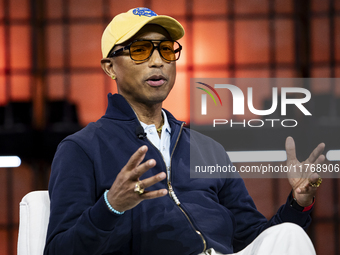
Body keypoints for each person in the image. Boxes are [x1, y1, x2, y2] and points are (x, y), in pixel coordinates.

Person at [44, 7, 325, 255]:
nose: (158, 62)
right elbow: (59, 249)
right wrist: (111, 206)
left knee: (289, 233)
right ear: (110, 67)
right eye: (141, 50)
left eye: (166, 50)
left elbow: (254, 239)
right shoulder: (82, 148)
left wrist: (298, 204)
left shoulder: (208, 149)